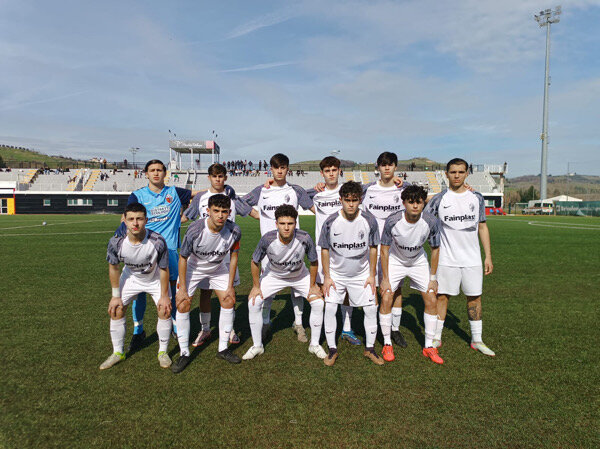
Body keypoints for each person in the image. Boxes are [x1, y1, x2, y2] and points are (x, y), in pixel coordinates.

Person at [114, 159, 192, 351]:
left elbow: (198, 196)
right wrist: (118, 237)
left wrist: (226, 189)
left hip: (170, 250)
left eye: (159, 170)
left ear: (165, 173)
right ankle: (138, 330)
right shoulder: (138, 195)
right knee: (139, 293)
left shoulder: (175, 193)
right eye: (152, 170)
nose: (156, 173)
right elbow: (127, 218)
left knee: (171, 292)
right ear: (146, 174)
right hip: (145, 250)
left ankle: (175, 326)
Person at [240, 153, 314, 342]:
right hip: (270, 249)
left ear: (287, 169)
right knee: (268, 289)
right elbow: (239, 202)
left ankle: (298, 323)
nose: (279, 171)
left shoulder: (296, 190)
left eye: (283, 167)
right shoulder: (261, 191)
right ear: (271, 169)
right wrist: (255, 214)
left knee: (296, 288)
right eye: (276, 167)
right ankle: (266, 322)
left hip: (294, 248)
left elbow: (314, 206)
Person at [424, 158, 495, 356]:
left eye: (461, 172)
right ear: (446, 174)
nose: (457, 175)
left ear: (466, 174)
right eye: (453, 172)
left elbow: (482, 226)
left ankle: (477, 340)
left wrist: (487, 256)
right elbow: (423, 221)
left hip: (472, 259)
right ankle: (436, 337)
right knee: (442, 297)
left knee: (475, 297)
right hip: (447, 259)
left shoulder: (477, 198)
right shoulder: (439, 199)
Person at [180, 163, 251, 347]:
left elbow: (249, 211)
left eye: (221, 176)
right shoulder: (202, 198)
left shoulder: (232, 195)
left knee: (229, 293)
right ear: (209, 178)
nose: (218, 179)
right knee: (206, 292)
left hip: (227, 253)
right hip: (203, 254)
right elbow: (187, 216)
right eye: (214, 176)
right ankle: (205, 329)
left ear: (225, 178)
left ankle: (230, 329)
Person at [170, 194, 242, 373]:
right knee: (183, 303)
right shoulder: (195, 230)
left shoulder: (235, 230)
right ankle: (184, 353)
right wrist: (183, 289)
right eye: (216, 211)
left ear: (229, 212)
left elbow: (233, 257)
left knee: (228, 300)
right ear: (207, 211)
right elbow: (183, 258)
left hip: (218, 268)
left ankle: (223, 349)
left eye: (224, 212)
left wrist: (230, 286)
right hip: (193, 269)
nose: (220, 215)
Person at [243, 205, 325, 360]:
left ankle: (314, 344)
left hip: (299, 276)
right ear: (276, 224)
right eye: (282, 224)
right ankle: (257, 345)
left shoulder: (304, 238)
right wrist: (255, 286)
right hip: (274, 276)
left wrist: (313, 285)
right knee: (253, 303)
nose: (286, 227)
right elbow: (254, 261)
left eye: (290, 223)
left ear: (295, 223)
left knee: (318, 303)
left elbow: (314, 262)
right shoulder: (267, 238)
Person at [101, 203, 172, 370]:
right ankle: (118, 352)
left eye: (139, 219)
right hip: (131, 277)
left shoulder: (158, 241)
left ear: (146, 220)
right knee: (117, 309)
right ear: (124, 220)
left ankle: (163, 352)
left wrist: (164, 295)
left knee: (165, 309)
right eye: (131, 219)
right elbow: (114, 267)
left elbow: (164, 269)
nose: (135, 223)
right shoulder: (116, 242)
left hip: (154, 278)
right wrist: (115, 295)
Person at [319, 181, 383, 366]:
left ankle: (370, 349)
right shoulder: (331, 221)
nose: (351, 204)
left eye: (355, 200)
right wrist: (327, 277)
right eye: (347, 200)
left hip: (361, 275)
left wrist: (372, 275)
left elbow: (373, 248)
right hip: (337, 275)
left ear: (360, 200)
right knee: (330, 308)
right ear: (340, 200)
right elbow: (324, 249)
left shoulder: (369, 220)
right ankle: (332, 349)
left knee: (371, 309)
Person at [379, 185, 444, 364]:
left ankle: (429, 346)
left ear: (424, 203)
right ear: (404, 203)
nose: (415, 206)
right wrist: (384, 279)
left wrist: (433, 278)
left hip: (418, 261)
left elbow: (435, 249)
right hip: (396, 260)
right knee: (386, 297)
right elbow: (384, 250)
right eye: (411, 202)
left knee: (431, 298)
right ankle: (386, 343)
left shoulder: (431, 221)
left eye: (419, 202)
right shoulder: (393, 221)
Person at [307, 156, 361, 345]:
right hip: (324, 249)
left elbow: (375, 186)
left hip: (346, 249)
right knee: (324, 288)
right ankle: (324, 328)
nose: (331, 174)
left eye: (334, 170)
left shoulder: (347, 192)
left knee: (345, 291)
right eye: (327, 171)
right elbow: (293, 192)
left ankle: (346, 328)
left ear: (339, 171)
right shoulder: (315, 194)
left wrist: (400, 181)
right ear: (322, 174)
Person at [362, 151, 411, 348]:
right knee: (372, 286)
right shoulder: (367, 190)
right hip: (371, 247)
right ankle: (373, 327)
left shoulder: (404, 190)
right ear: (378, 167)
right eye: (383, 165)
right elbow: (342, 193)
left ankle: (395, 329)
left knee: (395, 287)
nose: (387, 168)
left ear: (396, 167)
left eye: (390, 164)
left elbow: (424, 198)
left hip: (395, 247)